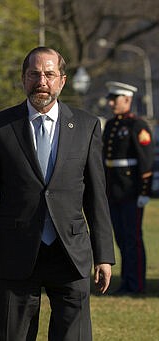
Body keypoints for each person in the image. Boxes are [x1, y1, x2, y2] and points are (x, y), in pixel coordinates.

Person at [0, 47, 115, 341]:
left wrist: (104, 255)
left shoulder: (86, 126)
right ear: (23, 79)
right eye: (34, 74)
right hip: (14, 250)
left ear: (62, 80)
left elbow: (97, 196)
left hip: (70, 253)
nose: (41, 81)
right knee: (12, 335)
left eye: (49, 74)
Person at [102, 81, 154, 295]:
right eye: (111, 99)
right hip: (114, 191)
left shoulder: (137, 125)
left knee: (133, 239)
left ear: (128, 100)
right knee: (122, 239)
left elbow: (146, 161)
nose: (111, 102)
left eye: (116, 99)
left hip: (132, 191)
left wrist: (144, 192)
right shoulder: (112, 125)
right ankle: (126, 282)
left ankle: (136, 284)